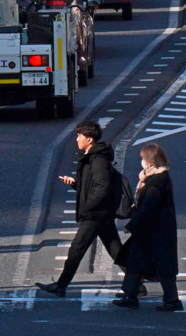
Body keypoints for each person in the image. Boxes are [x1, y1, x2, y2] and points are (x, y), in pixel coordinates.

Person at [36, 121, 122, 297]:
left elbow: (102, 186)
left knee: (77, 248)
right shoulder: (94, 156)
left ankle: (61, 286)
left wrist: (88, 205)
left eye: (79, 136)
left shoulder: (97, 159)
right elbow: (94, 185)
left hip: (95, 213)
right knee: (115, 248)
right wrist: (76, 184)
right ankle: (136, 284)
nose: (76, 139)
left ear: (89, 139)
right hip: (100, 212)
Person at [113, 143, 182, 311]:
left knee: (160, 266)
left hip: (155, 231)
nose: (141, 162)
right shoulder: (155, 178)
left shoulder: (157, 181)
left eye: (143, 158)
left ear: (150, 161)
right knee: (136, 262)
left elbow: (149, 207)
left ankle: (171, 301)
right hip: (152, 230)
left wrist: (132, 224)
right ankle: (132, 295)